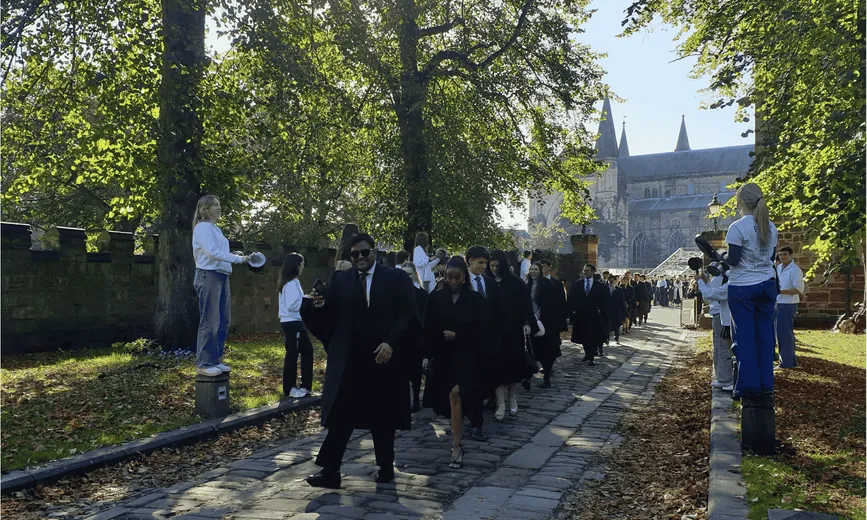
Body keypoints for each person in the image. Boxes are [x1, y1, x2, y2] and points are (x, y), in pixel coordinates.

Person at [301, 233, 417, 489]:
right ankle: (330, 471)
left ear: (374, 251)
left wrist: (392, 342)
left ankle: (386, 466)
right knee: (341, 416)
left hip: (383, 356)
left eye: (365, 252)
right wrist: (318, 305)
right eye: (355, 254)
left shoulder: (395, 278)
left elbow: (408, 313)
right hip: (352, 360)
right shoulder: (341, 280)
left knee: (383, 415)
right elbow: (330, 315)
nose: (360, 258)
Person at [422, 256, 488, 469]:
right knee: (448, 401)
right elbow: (428, 327)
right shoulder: (436, 298)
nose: (452, 282)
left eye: (456, 278)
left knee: (456, 395)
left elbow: (484, 330)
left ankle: (456, 445)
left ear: (464, 277)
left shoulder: (476, 300)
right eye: (448, 278)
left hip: (469, 357)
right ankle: (457, 437)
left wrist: (459, 335)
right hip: (443, 357)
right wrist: (427, 353)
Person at [725, 183, 779, 397]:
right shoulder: (771, 226)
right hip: (767, 284)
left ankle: (748, 386)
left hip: (743, 287)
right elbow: (771, 257)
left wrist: (722, 257)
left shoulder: (737, 227)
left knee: (744, 337)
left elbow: (734, 260)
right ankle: (766, 383)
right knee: (765, 336)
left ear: (740, 203)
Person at [191, 195, 251, 377]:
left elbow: (219, 252)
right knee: (210, 321)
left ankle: (215, 360)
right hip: (208, 276)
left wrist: (234, 254)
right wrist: (239, 259)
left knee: (223, 320)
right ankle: (204, 363)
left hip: (222, 276)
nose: (219, 208)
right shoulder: (202, 228)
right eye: (215, 205)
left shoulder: (215, 229)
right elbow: (211, 252)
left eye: (219, 204)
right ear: (205, 209)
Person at [485, 249, 536, 417]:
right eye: (491, 265)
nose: (493, 269)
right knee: (497, 367)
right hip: (493, 331)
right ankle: (500, 401)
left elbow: (526, 305)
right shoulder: (486, 281)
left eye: (496, 266)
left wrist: (527, 323)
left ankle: (512, 396)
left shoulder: (516, 283)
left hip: (513, 329)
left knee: (513, 365)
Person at [464, 245, 504, 440]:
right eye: (480, 263)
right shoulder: (461, 282)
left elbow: (497, 313)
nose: (483, 267)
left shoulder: (491, 284)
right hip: (465, 342)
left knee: (481, 383)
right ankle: (472, 419)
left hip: (487, 342)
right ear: (469, 261)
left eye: (485, 263)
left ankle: (476, 420)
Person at [279, 253, 314, 398]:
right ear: (296, 265)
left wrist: (307, 297)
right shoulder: (291, 283)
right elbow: (292, 305)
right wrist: (308, 298)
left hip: (296, 322)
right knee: (292, 354)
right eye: (302, 263)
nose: (303, 266)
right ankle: (289, 388)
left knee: (307, 351)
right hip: (292, 322)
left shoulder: (292, 282)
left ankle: (306, 386)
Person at [697, 269, 733, 392]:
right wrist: (706, 282)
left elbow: (710, 294)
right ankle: (722, 377)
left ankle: (728, 378)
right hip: (722, 317)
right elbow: (713, 291)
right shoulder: (725, 281)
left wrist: (701, 282)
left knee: (726, 349)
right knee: (719, 347)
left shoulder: (732, 282)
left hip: (727, 319)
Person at [526, 262, 562, 387]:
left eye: (535, 269)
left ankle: (547, 378)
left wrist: (538, 315)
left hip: (545, 321)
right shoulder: (527, 284)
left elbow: (549, 303)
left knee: (546, 350)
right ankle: (528, 377)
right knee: (530, 350)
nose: (533, 272)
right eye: (531, 269)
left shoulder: (547, 284)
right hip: (530, 321)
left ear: (540, 271)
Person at [400, 261, 429, 412]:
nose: (407, 277)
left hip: (416, 338)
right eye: (404, 274)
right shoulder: (395, 293)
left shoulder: (422, 294)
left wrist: (425, 349)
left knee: (415, 372)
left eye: (410, 274)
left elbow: (425, 320)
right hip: (400, 338)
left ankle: (416, 399)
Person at [568, 263, 608, 366]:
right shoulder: (577, 285)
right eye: (584, 270)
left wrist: (602, 312)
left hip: (594, 316)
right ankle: (587, 353)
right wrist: (571, 312)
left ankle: (591, 356)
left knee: (593, 336)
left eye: (587, 270)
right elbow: (571, 299)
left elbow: (605, 301)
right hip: (581, 315)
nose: (585, 272)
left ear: (593, 272)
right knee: (583, 336)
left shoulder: (600, 286)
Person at [775, 246, 804, 369]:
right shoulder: (779, 268)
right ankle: (790, 361)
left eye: (785, 254)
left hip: (788, 305)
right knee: (782, 333)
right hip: (778, 303)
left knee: (784, 334)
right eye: (780, 255)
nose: (782, 257)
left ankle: (785, 362)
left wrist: (780, 291)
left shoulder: (795, 270)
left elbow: (798, 289)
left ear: (791, 255)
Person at [607, 275, 627, 345]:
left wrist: (624, 312)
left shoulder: (619, 290)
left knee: (617, 325)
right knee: (608, 325)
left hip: (617, 311)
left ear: (616, 281)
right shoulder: (605, 289)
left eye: (613, 281)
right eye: (610, 281)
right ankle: (607, 338)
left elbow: (622, 301)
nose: (611, 282)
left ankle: (617, 337)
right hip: (608, 311)